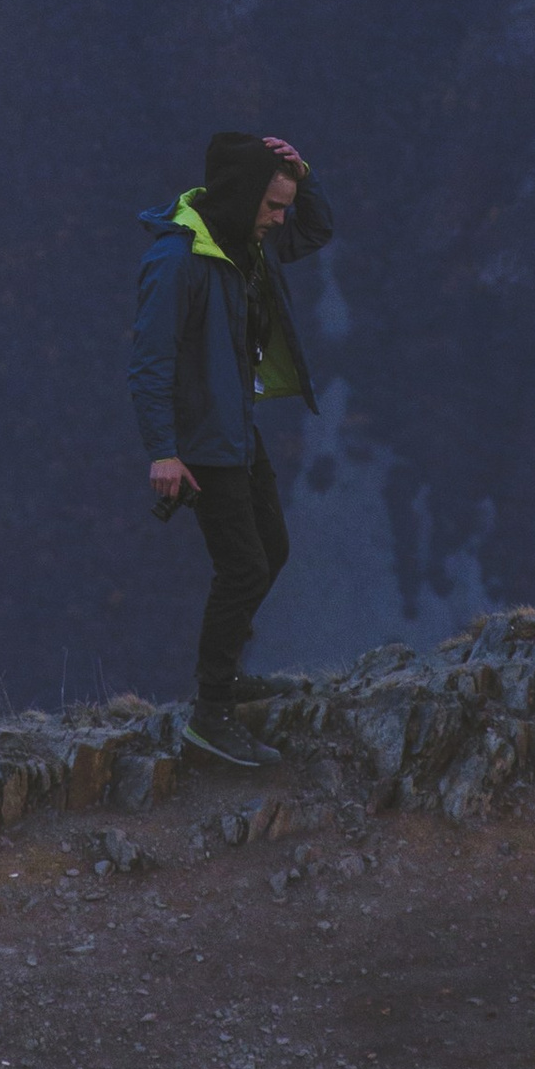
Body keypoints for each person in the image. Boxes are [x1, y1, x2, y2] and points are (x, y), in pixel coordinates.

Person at [128, 128, 335, 768]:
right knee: (243, 567)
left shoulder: (247, 243)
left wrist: (304, 175)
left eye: (284, 207)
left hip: (237, 428)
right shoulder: (177, 261)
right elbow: (150, 363)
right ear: (243, 196)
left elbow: (317, 229)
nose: (281, 219)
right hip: (202, 444)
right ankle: (211, 716)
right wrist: (164, 451)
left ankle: (228, 677)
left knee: (271, 550)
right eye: (273, 206)